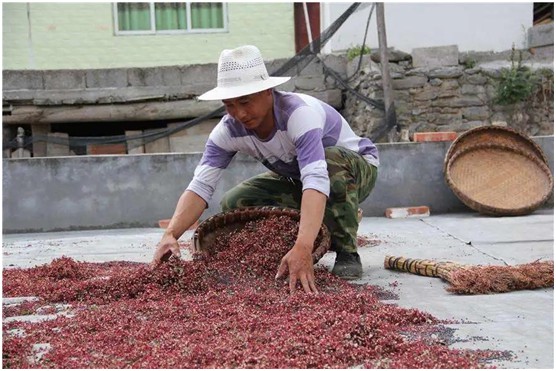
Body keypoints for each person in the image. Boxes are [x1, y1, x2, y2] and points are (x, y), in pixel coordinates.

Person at [151, 45, 379, 294]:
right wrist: (171, 234)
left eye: (245, 101)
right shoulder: (228, 131)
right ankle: (321, 227)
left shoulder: (298, 115)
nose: (239, 113)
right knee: (236, 200)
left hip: (355, 171)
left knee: (330, 161)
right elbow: (201, 186)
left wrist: (303, 247)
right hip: (299, 180)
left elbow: (316, 177)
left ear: (267, 91)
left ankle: (346, 249)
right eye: (229, 104)